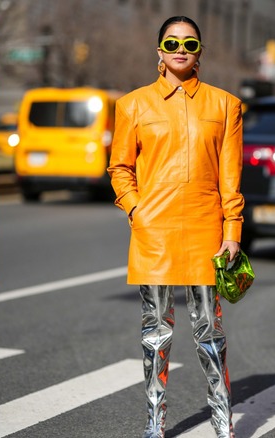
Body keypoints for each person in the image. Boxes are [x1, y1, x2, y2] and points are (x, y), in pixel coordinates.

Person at [107, 15, 244, 438]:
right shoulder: (133, 104)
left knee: (210, 333)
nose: (180, 49)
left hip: (207, 231)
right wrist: (136, 210)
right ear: (159, 51)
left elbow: (230, 178)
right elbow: (120, 167)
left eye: (189, 43)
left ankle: (223, 422)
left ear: (200, 51)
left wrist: (232, 232)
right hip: (154, 233)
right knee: (155, 334)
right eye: (172, 42)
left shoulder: (226, 105)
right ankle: (155, 422)